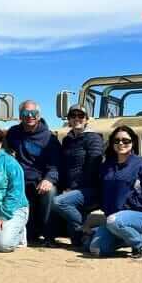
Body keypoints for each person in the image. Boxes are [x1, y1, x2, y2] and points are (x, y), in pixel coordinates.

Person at [84, 126, 142, 260]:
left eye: (126, 141)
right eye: (117, 140)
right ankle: (126, 239)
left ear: (133, 143)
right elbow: (101, 193)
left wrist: (126, 206)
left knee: (114, 221)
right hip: (114, 219)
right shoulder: (106, 166)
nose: (121, 144)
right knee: (95, 249)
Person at [4, 100, 61, 246]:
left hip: (39, 181)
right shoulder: (13, 133)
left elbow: (55, 165)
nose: (29, 116)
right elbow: (4, 152)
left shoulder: (49, 138)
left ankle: (49, 237)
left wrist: (49, 179)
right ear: (20, 115)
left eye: (33, 113)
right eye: (25, 113)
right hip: (18, 180)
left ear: (39, 115)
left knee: (50, 191)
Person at [51, 105, 104, 247]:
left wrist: (73, 188)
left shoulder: (94, 138)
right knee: (77, 242)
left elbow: (93, 168)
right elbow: (65, 166)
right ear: (68, 119)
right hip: (73, 189)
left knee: (58, 202)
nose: (77, 119)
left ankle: (87, 229)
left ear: (86, 119)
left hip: (89, 188)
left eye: (80, 116)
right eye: (73, 116)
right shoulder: (68, 139)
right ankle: (89, 237)